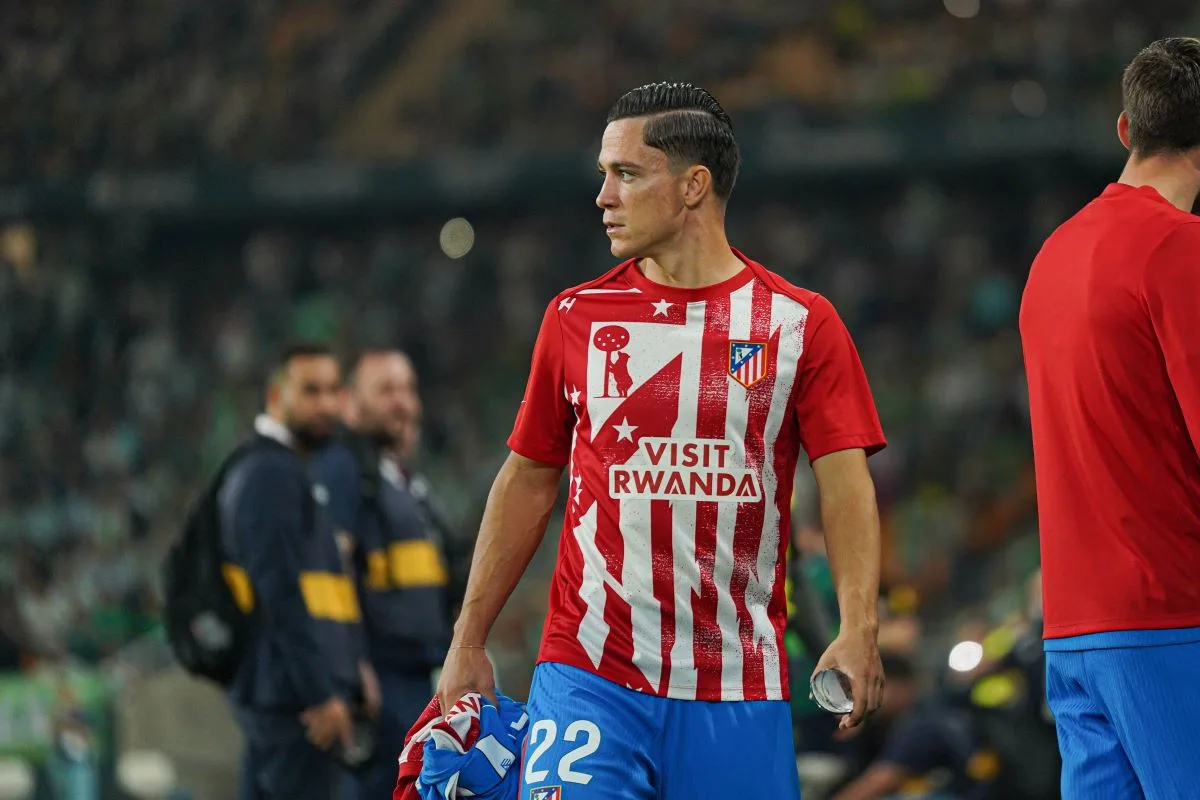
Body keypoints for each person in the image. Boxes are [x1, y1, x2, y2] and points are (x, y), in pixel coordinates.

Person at [437, 82, 888, 799]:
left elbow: (845, 483)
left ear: (692, 186)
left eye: (626, 173)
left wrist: (859, 626)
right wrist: (468, 637)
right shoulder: (576, 317)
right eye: (603, 175)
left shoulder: (801, 325)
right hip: (590, 674)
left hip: (736, 686)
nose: (603, 197)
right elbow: (526, 478)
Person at [1019, 37, 1200, 800]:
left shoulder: (1051, 257)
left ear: (1126, 130)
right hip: (1175, 615)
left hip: (1075, 632)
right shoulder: (1179, 250)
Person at [219, 343, 370, 800]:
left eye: (332, 390)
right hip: (296, 706)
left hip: (286, 697)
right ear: (274, 396)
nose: (326, 404)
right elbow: (279, 594)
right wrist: (321, 693)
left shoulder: (281, 470)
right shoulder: (269, 474)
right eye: (310, 391)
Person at [312, 348, 452, 800]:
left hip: (415, 675)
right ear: (351, 402)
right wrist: (350, 663)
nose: (402, 402)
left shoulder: (400, 477)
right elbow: (333, 566)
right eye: (386, 390)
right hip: (381, 680)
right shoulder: (343, 467)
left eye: (408, 389)